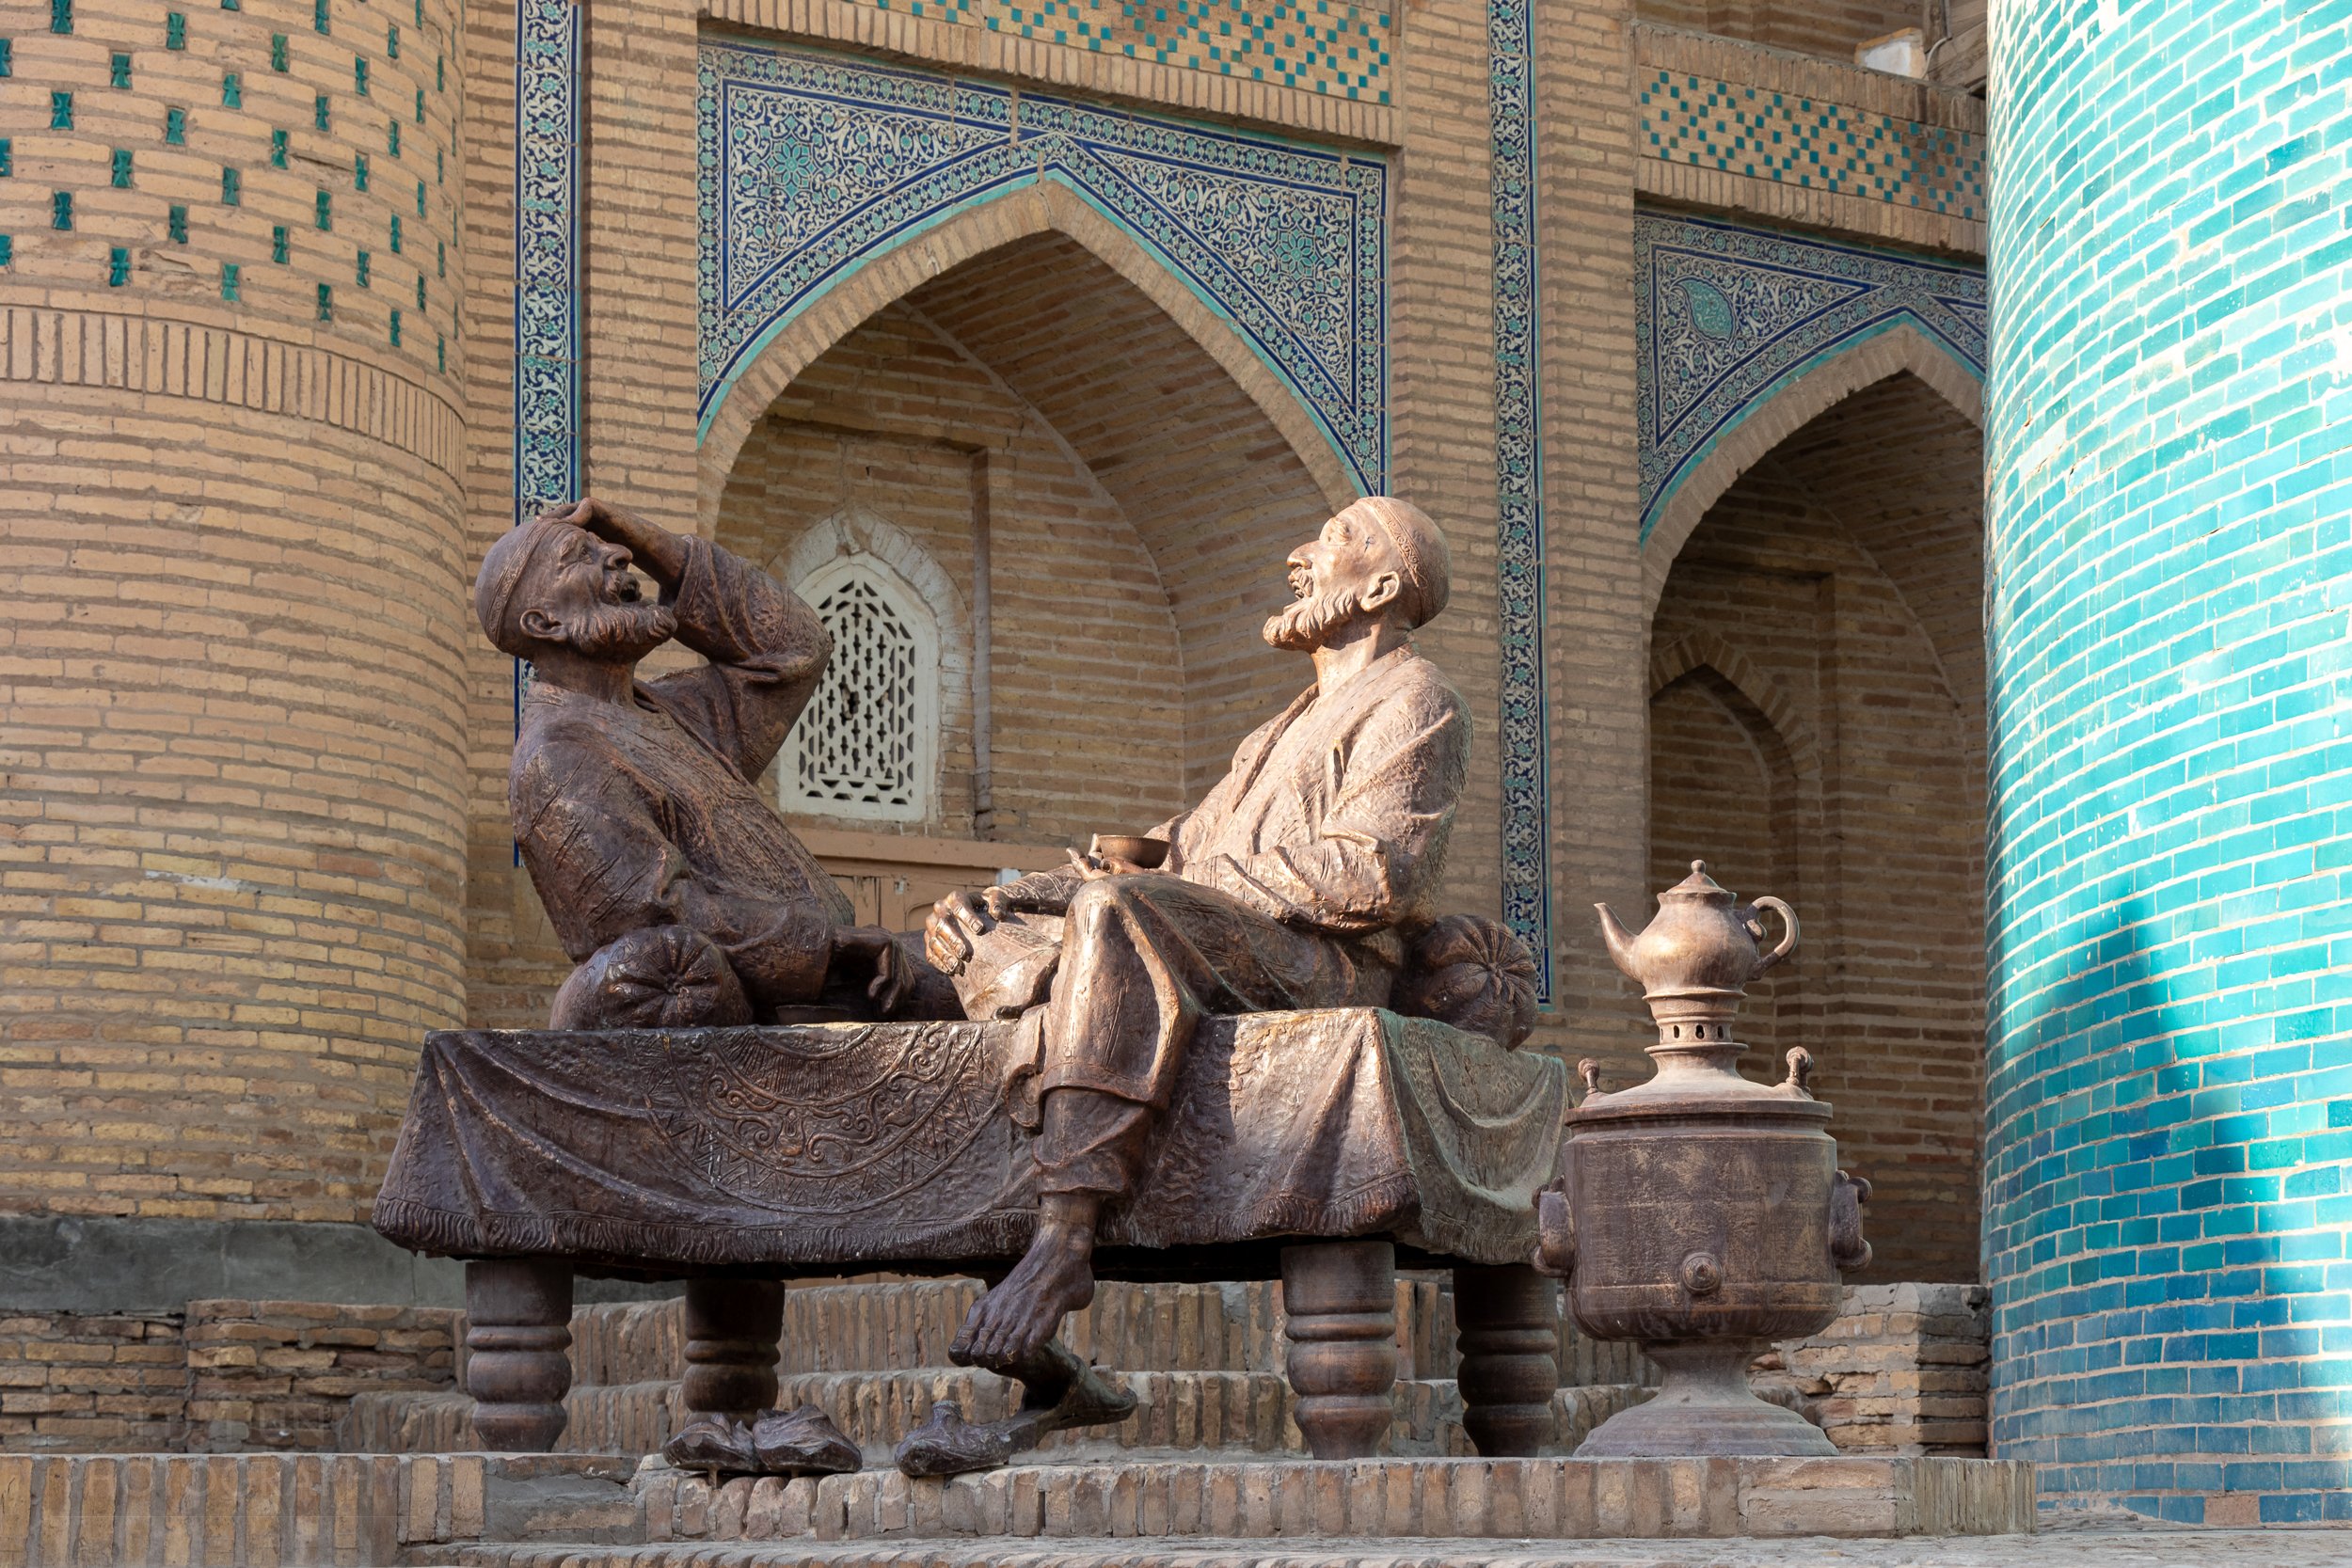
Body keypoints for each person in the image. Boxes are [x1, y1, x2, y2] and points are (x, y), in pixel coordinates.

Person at [923, 495, 1470, 1369]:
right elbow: (1170, 852)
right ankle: (1041, 979)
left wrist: (1175, 890)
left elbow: (1378, 872)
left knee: (1116, 913)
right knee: (976, 936)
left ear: (1380, 587)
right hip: (1218, 937)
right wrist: (1014, 897)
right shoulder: (1276, 731)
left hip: (1322, 961)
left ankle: (1064, 1236)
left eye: (1333, 540)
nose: (1300, 557)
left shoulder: (1417, 698)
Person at [475, 497, 923, 1027]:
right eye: (580, 555)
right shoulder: (558, 755)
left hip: (849, 977)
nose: (618, 555)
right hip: (792, 1002)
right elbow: (657, 910)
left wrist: (642, 538)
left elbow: (794, 648)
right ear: (544, 622)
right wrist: (829, 945)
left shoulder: (674, 712)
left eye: (610, 546)